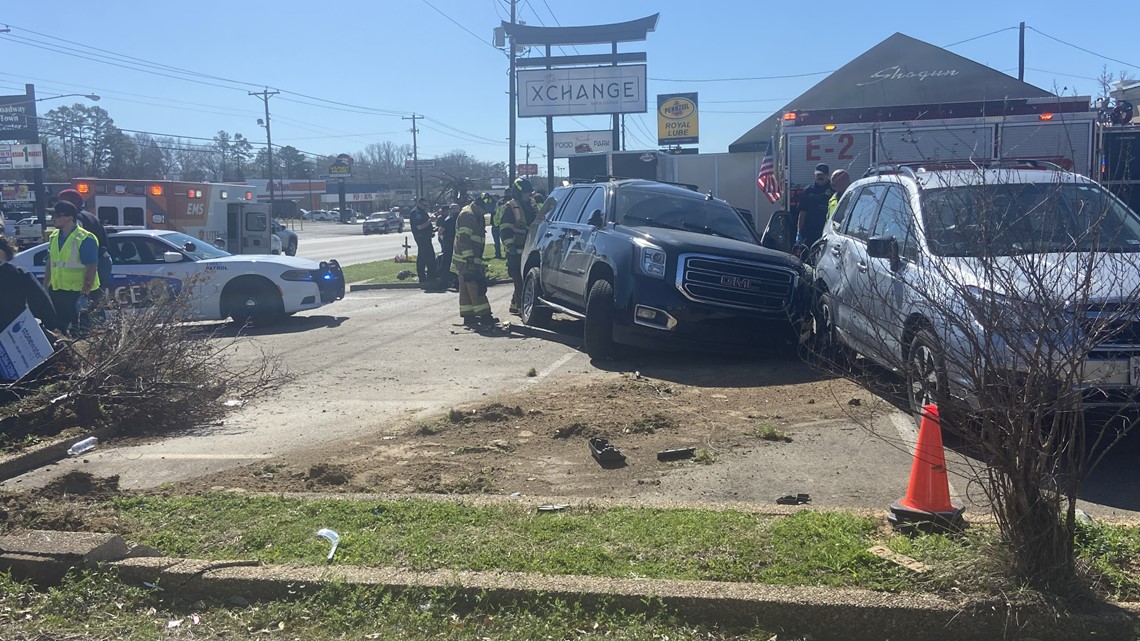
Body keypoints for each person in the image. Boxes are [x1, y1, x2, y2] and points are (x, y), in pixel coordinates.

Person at [43, 200, 101, 335]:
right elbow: (50, 263)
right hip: (58, 292)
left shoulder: (85, 238)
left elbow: (91, 267)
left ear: (70, 218)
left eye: (57, 216)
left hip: (78, 294)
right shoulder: (54, 237)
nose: (53, 219)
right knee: (59, 331)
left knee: (81, 332)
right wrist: (45, 287)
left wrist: (85, 294)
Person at [452, 193, 498, 328]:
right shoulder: (467, 215)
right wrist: (470, 260)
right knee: (476, 286)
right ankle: (485, 316)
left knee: (466, 287)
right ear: (479, 205)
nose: (486, 213)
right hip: (467, 259)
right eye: (485, 210)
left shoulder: (477, 215)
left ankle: (469, 317)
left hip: (470, 258)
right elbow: (464, 240)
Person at [57, 188, 112, 296]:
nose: (59, 205)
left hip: (90, 263)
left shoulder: (75, 219)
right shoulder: (92, 217)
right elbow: (105, 242)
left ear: (75, 202)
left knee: (86, 301)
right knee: (96, 300)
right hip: (103, 260)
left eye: (63, 201)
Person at [0, 234, 57, 332]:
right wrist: (51, 326)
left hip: (14, 329)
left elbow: (40, 301)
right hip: (15, 331)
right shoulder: (19, 274)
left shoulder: (19, 275)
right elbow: (42, 303)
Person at [500, 177, 539, 315]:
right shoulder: (510, 207)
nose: (529, 195)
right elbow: (505, 229)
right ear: (518, 193)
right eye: (526, 193)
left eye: (530, 193)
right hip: (515, 251)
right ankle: (522, 309)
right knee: (519, 280)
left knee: (523, 279)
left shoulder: (532, 205)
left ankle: (514, 305)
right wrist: (510, 246)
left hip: (530, 249)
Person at [796, 163, 835, 248]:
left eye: (822, 175)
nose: (820, 177)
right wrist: (799, 232)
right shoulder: (808, 191)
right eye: (818, 175)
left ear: (828, 175)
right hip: (810, 233)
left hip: (828, 233)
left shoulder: (834, 190)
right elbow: (802, 213)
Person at [409, 197, 436, 287]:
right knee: (426, 257)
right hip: (421, 238)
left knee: (425, 257)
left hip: (427, 237)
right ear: (420, 204)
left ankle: (428, 277)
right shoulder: (416, 213)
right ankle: (425, 277)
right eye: (424, 205)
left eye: (426, 205)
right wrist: (430, 221)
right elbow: (419, 227)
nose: (425, 207)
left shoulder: (422, 212)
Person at [434, 203, 460, 290]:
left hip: (449, 245)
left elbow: (440, 231)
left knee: (446, 265)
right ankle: (457, 283)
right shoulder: (462, 219)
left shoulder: (449, 219)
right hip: (460, 245)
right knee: (458, 264)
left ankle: (444, 283)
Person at [490, 189, 508, 259]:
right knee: (499, 241)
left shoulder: (500, 203)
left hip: (498, 225)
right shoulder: (494, 204)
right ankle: (499, 254)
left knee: (503, 241)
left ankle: (502, 254)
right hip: (497, 225)